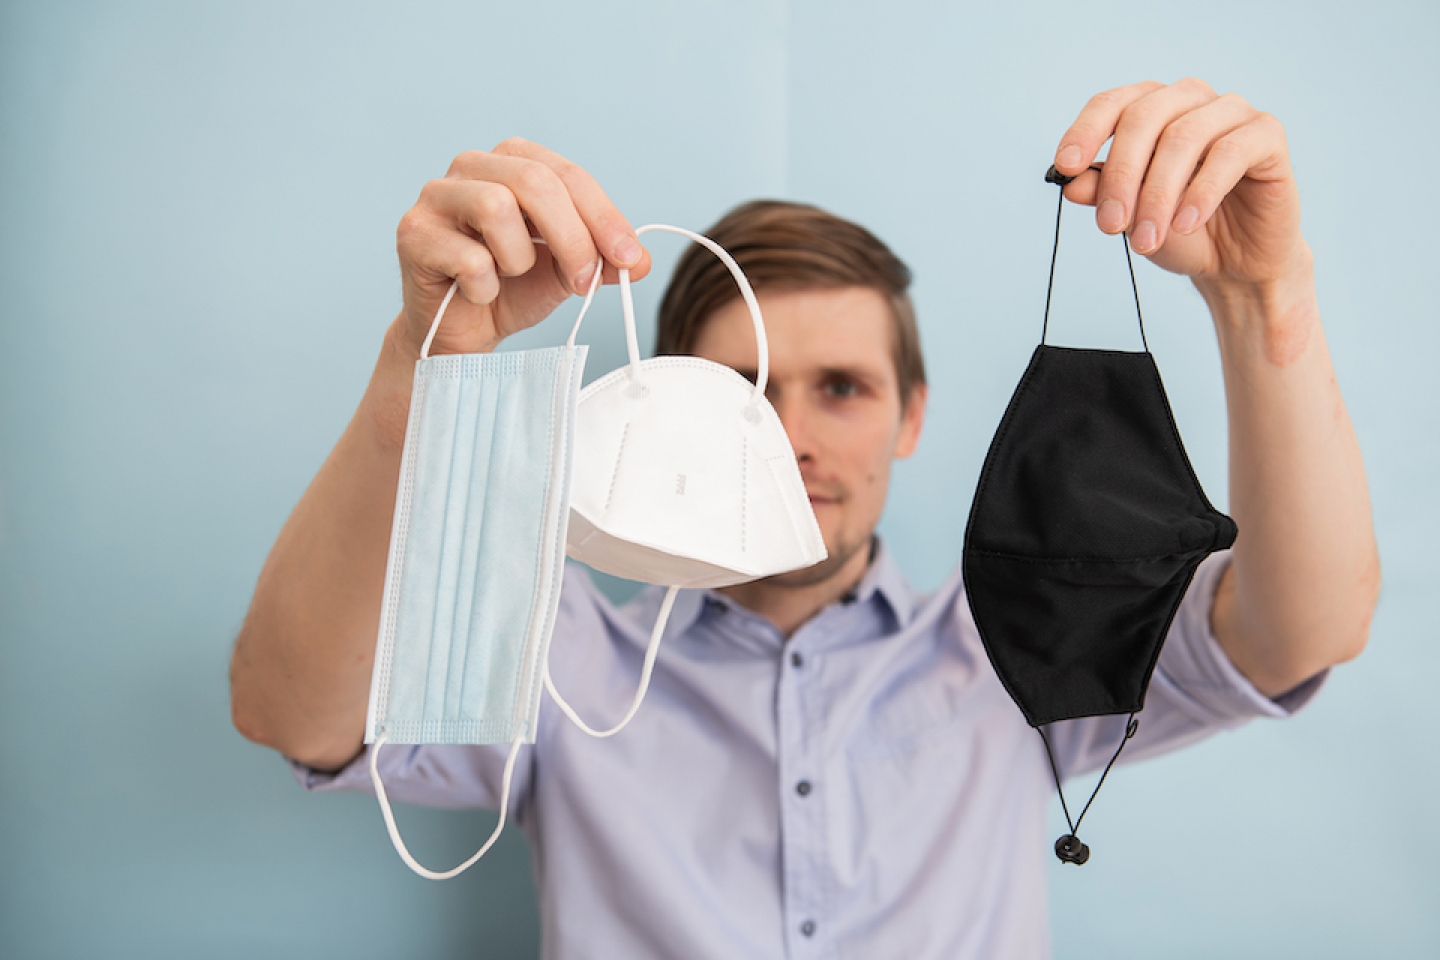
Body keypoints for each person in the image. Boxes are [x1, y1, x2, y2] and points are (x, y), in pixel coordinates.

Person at [230, 79, 1379, 958]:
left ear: (910, 416)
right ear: (671, 405)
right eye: (738, 392)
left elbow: (1300, 630)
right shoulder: (564, 652)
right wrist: (418, 372)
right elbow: (293, 709)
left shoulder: (1009, 652)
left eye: (842, 387)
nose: (789, 439)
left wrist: (1261, 295)